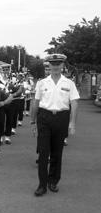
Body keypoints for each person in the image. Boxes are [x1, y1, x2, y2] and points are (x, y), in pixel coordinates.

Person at [31, 53, 79, 197]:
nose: (56, 66)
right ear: (49, 66)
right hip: (44, 118)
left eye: (58, 64)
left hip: (62, 118)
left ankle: (53, 181)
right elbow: (36, 103)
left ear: (63, 65)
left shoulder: (69, 83)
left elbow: (74, 102)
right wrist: (33, 121)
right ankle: (42, 184)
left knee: (57, 153)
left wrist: (72, 123)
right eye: (53, 64)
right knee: (44, 153)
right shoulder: (42, 83)